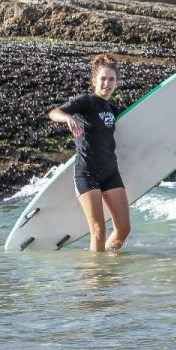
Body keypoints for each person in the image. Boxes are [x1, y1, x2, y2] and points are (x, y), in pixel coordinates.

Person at [48, 54, 130, 252]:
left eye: (112, 79)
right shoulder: (85, 102)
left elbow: (128, 141)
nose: (107, 83)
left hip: (111, 173)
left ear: (117, 82)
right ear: (94, 80)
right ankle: (96, 279)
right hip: (87, 173)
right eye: (103, 78)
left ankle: (108, 267)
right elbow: (53, 113)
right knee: (98, 231)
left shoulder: (113, 108)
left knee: (124, 229)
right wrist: (67, 117)